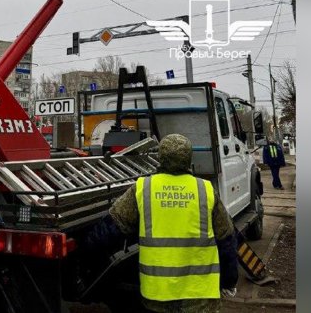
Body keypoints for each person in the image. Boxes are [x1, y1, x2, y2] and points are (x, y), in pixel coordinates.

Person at [83, 134, 238, 313]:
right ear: (188, 158)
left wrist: (85, 256)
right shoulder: (205, 190)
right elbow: (227, 240)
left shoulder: (143, 188)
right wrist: (229, 280)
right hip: (199, 296)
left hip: (157, 297)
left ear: (161, 157)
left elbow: (109, 230)